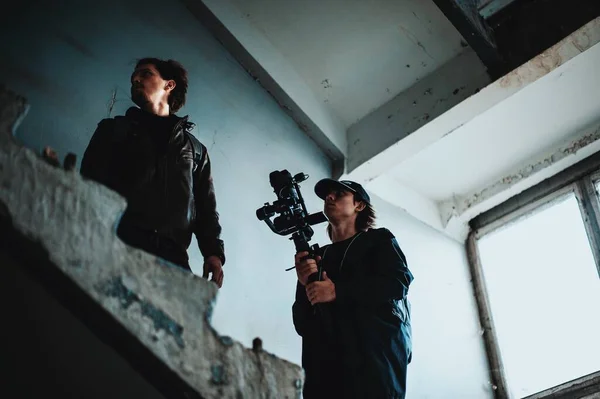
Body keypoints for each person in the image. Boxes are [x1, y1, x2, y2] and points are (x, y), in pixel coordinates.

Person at [80, 57, 225, 287]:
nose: (136, 79)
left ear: (170, 85)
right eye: (133, 78)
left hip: (173, 260)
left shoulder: (195, 151)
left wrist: (213, 254)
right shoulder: (113, 130)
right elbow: (88, 185)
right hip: (118, 242)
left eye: (145, 74)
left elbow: (206, 210)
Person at [292, 179, 413, 398]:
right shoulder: (319, 258)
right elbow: (302, 324)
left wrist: (338, 292)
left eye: (339, 193)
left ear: (359, 205)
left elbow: (398, 282)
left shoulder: (379, 240)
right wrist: (303, 286)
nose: (329, 197)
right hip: (325, 376)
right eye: (327, 195)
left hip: (373, 370)